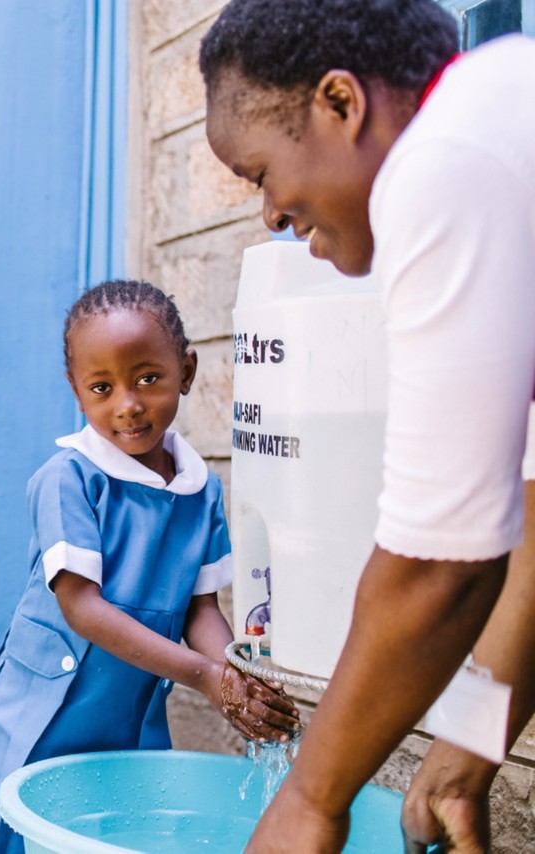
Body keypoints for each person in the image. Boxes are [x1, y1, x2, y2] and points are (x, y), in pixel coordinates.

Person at [200, 3, 535, 851]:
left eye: (260, 173)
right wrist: (463, 753)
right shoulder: (500, 136)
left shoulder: (444, 161)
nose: (271, 214)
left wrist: (311, 801)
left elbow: (435, 566)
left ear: (341, 105)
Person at [0, 281, 300, 853]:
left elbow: (200, 609)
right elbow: (81, 607)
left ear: (187, 369)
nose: (127, 404)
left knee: (113, 830)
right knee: (7, 831)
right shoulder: (69, 478)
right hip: (45, 706)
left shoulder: (199, 488)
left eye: (148, 378)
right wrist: (207, 678)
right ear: (76, 391)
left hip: (132, 707)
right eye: (101, 388)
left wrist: (237, 674)